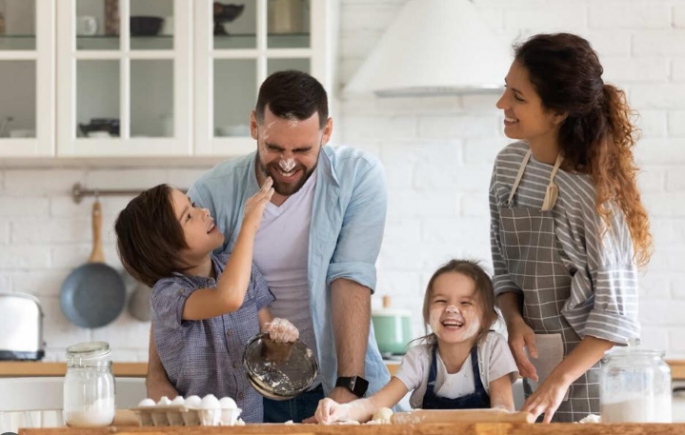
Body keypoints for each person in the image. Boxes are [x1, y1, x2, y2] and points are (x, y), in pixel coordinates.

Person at [145, 70, 390, 423]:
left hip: (335, 385)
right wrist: (156, 377)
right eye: (275, 147)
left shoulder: (358, 178)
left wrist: (347, 388)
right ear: (254, 127)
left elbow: (350, 279)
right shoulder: (213, 191)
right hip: (244, 395)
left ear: (327, 132)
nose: (287, 163)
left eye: (303, 149)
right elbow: (174, 283)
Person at [490, 33, 653, 423]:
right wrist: (513, 320)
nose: (502, 104)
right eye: (506, 90)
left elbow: (616, 314)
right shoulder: (508, 165)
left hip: (595, 382)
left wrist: (559, 381)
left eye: (518, 96)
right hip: (536, 368)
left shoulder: (591, 195)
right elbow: (504, 266)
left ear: (558, 113)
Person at [114, 179, 300, 423]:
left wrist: (281, 339)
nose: (204, 212)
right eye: (188, 217)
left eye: (193, 205)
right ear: (164, 247)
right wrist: (250, 225)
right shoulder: (168, 295)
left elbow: (270, 357)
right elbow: (227, 298)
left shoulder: (246, 273)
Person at [315, 260, 519, 424]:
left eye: (465, 303)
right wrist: (341, 411)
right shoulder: (420, 357)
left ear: (488, 318)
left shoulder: (492, 348)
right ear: (426, 311)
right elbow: (375, 404)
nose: (451, 309)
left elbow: (503, 411)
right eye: (441, 301)